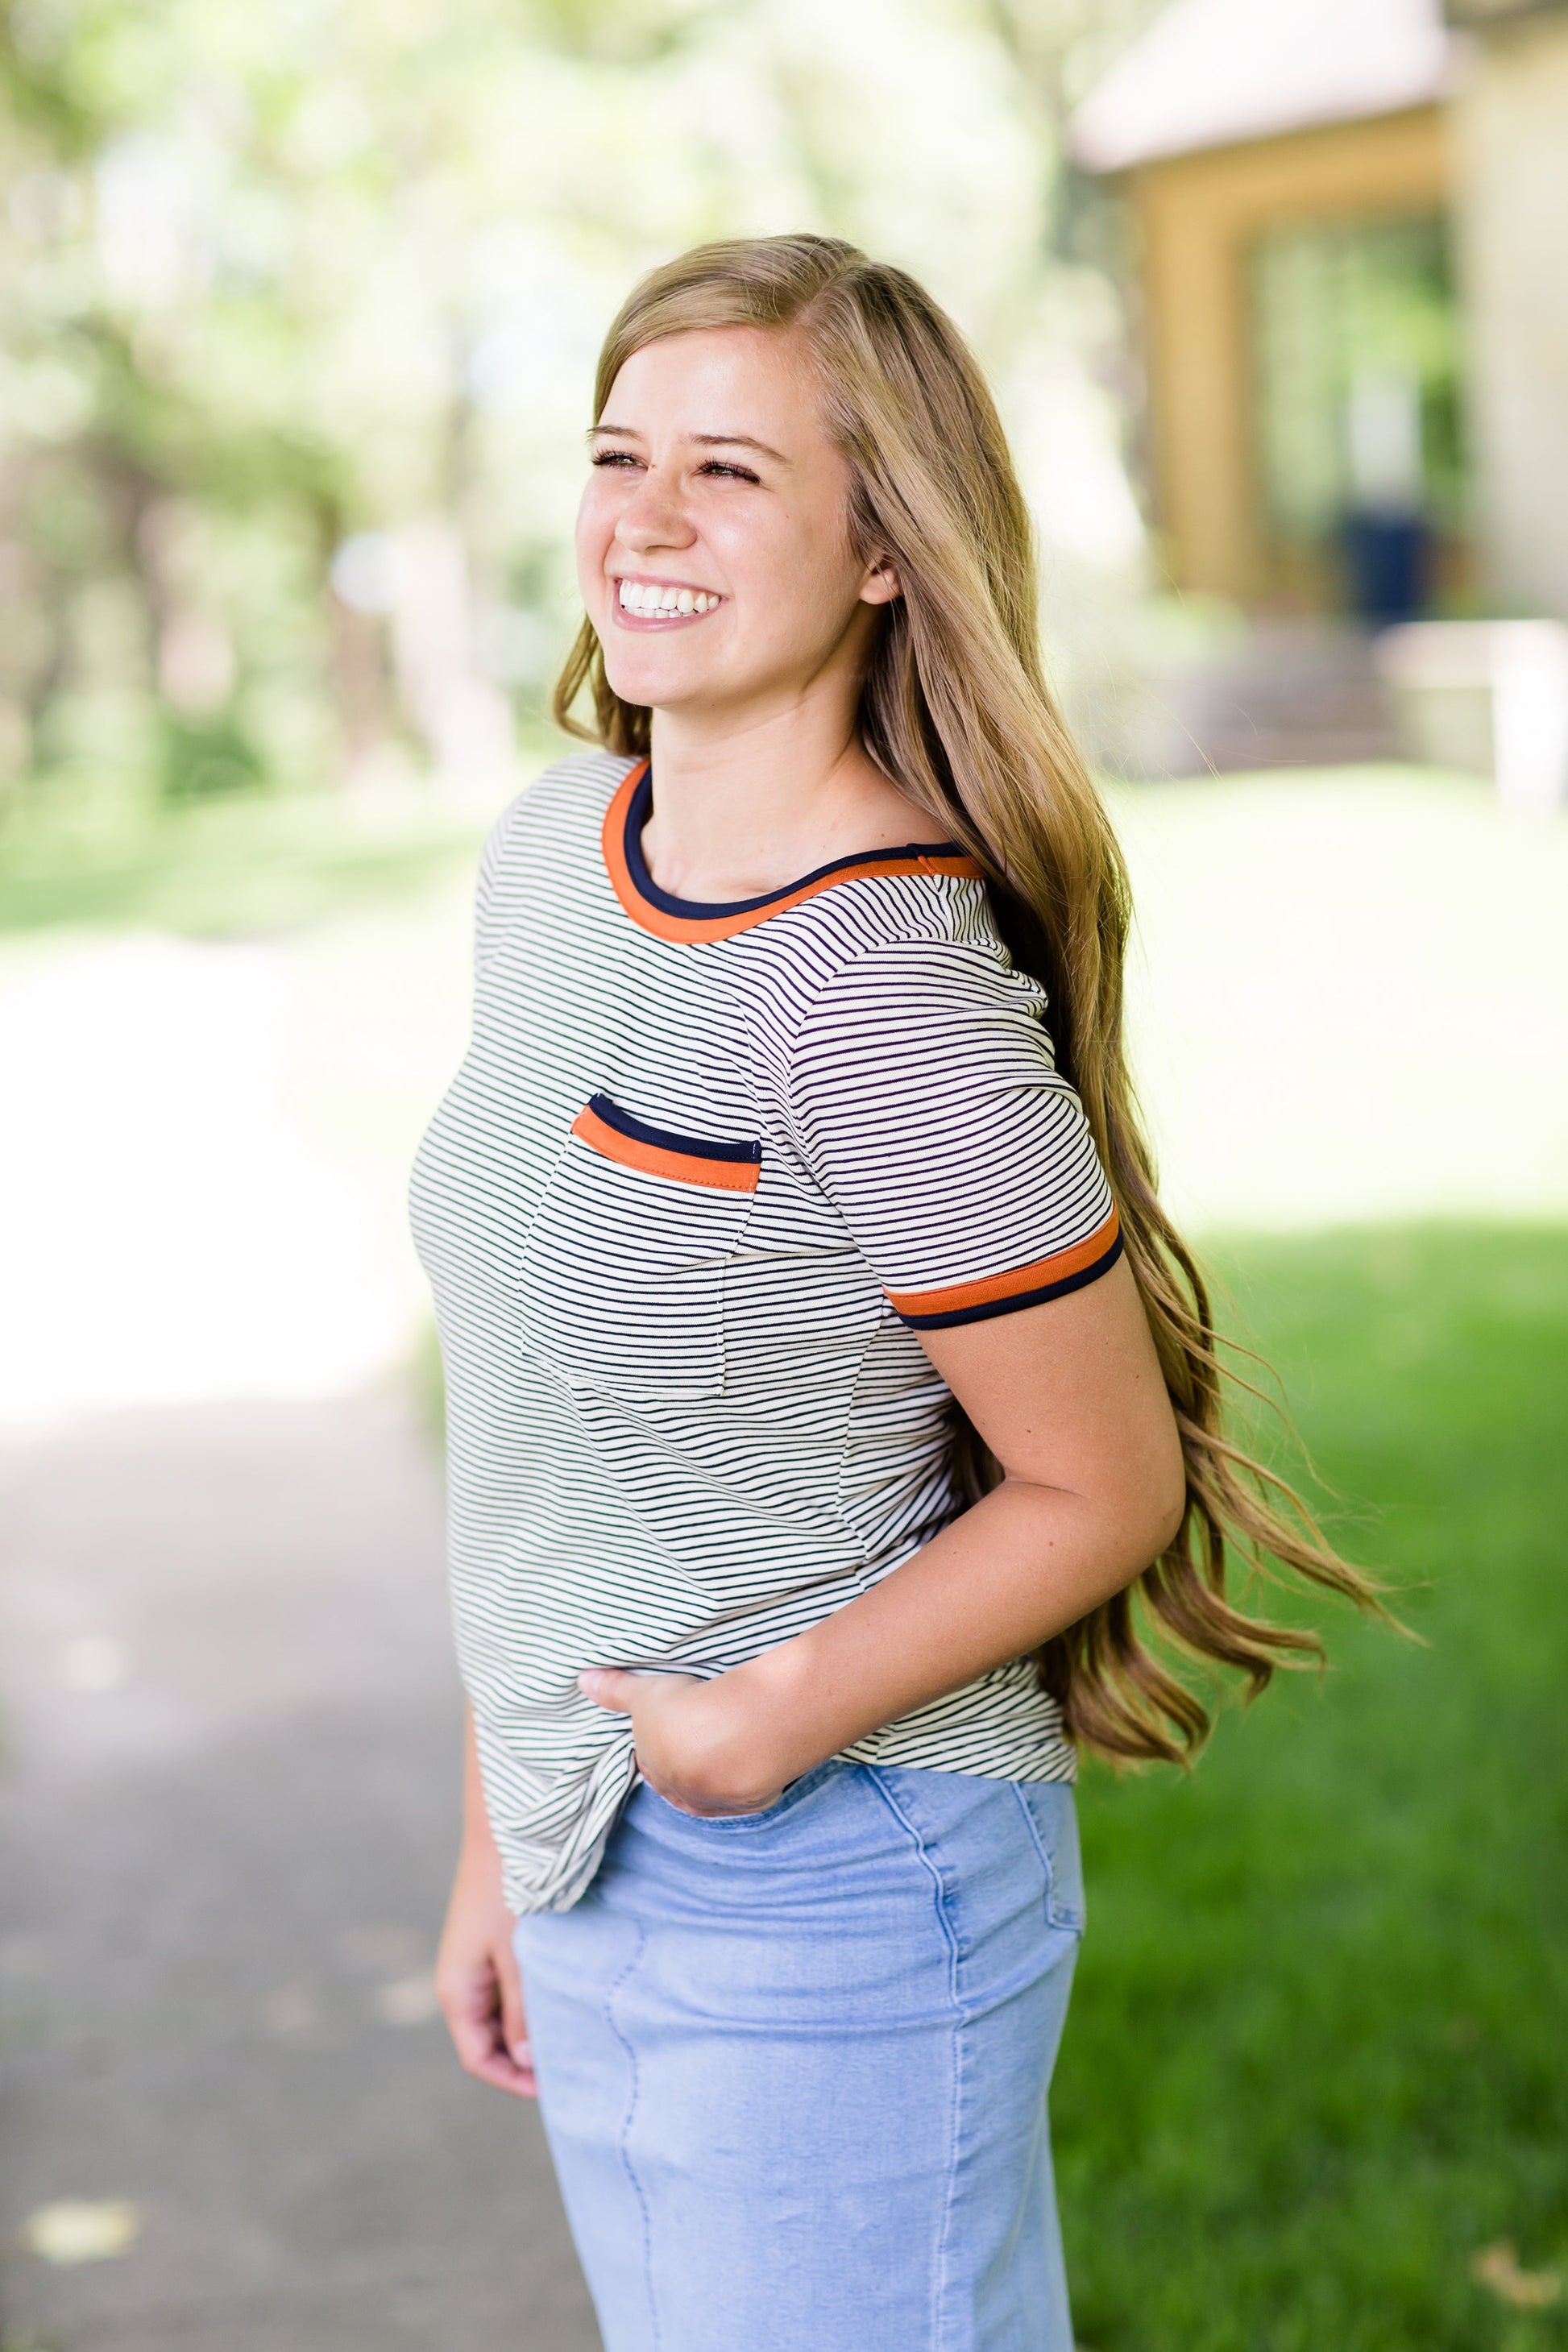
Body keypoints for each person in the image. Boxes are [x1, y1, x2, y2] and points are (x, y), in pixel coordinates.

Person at [413, 234, 1372, 2352]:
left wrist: (759, 1731)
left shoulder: (869, 975)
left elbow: (1098, 1482)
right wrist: (505, 1830)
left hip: (822, 1891)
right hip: (605, 1840)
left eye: (731, 472)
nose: (646, 519)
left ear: (877, 547)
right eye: (618, 451)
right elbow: (541, 1415)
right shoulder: (554, 842)